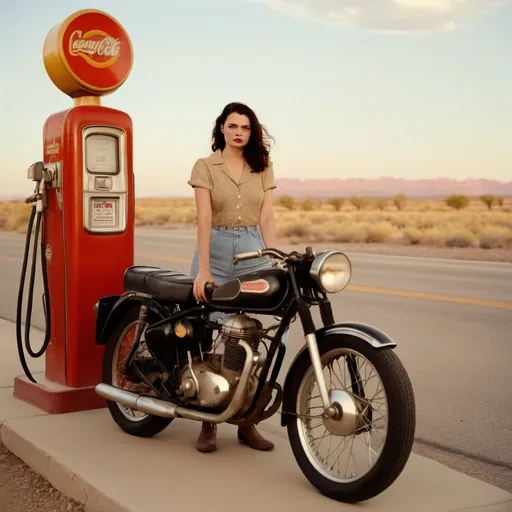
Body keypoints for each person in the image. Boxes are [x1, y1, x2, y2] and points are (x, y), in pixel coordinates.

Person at [187, 101, 283, 453]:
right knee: (210, 331)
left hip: (253, 252)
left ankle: (247, 423)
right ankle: (208, 421)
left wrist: (274, 257)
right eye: (232, 126)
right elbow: (203, 219)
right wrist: (205, 269)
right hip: (215, 248)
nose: (239, 132)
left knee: (253, 336)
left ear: (251, 131)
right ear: (222, 129)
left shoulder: (263, 166)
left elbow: (268, 215)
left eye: (245, 127)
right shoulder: (205, 166)